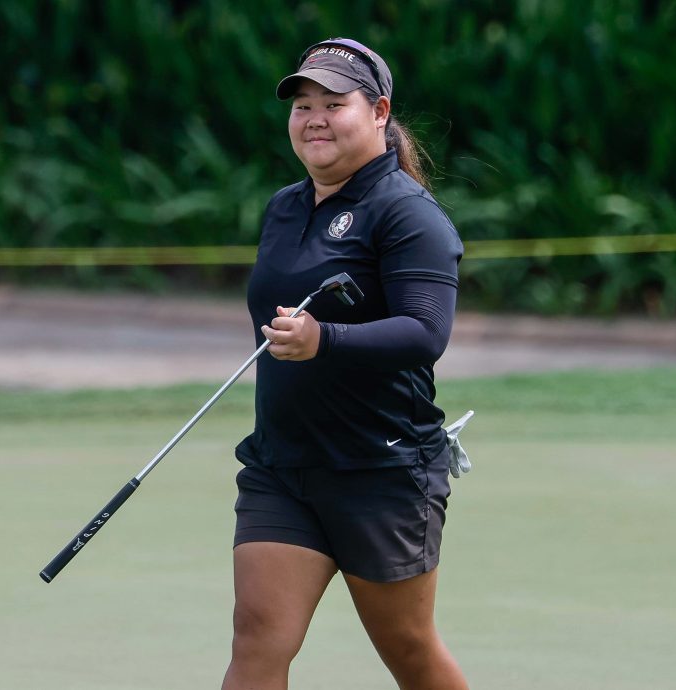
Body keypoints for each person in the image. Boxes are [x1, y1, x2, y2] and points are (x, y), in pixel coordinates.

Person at [222, 38, 469, 690]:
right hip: (284, 467)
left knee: (409, 652)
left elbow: (425, 333)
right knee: (257, 639)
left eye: (334, 103)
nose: (314, 119)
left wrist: (322, 340)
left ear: (379, 111)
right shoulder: (283, 208)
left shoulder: (409, 216)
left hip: (380, 469)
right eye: (303, 105)